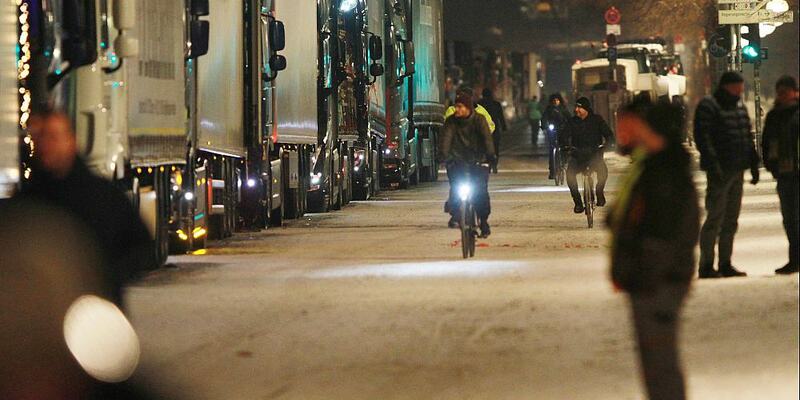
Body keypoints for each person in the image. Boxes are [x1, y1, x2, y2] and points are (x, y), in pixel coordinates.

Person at [609, 98, 699, 400]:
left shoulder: (664, 172)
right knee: (655, 365)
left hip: (657, 282)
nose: (621, 132)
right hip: (651, 280)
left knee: (660, 365)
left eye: (626, 124)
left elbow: (667, 232)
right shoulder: (651, 166)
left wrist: (644, 275)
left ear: (644, 127)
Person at [19, 110, 156, 304]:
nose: (47, 145)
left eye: (53, 137)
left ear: (71, 141)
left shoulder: (103, 196)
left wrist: (104, 277)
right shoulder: (28, 201)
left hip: (95, 309)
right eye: (41, 138)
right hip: (45, 312)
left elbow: (140, 247)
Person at [694, 72, 760, 279]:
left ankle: (725, 263)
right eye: (738, 87)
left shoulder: (739, 107)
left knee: (731, 219)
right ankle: (706, 264)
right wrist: (713, 164)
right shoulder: (709, 106)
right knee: (715, 217)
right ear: (727, 86)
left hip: (737, 168)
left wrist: (753, 163)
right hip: (720, 171)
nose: (741, 90)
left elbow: (746, 136)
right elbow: (703, 137)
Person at [439, 91, 495, 238]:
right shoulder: (451, 122)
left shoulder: (479, 120)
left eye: (460, 107)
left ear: (468, 108)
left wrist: (490, 156)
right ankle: (456, 214)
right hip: (458, 161)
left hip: (478, 160)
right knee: (455, 188)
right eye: (456, 106)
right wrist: (444, 156)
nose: (457, 110)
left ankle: (483, 221)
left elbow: (487, 139)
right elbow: (446, 139)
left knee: (480, 192)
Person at [762, 75, 799, 275]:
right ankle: (794, 259)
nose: (782, 96)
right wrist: (772, 166)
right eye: (780, 93)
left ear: (794, 92)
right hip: (785, 174)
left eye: (785, 92)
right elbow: (767, 143)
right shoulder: (774, 116)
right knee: (790, 219)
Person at [563, 97, 613, 213]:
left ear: (586, 109)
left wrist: (608, 144)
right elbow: (564, 136)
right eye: (576, 107)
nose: (576, 110)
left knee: (603, 173)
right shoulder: (572, 122)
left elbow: (608, 134)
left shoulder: (597, 120)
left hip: (594, 155)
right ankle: (578, 203)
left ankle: (599, 192)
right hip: (578, 155)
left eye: (579, 107)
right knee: (570, 175)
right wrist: (565, 146)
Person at [478, 88, 508, 173]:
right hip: (495, 129)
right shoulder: (496, 104)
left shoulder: (480, 104)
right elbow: (501, 117)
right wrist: (504, 126)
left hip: (482, 128)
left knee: (484, 147)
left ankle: (487, 164)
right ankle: (494, 165)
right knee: (495, 147)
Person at [542, 93, 571, 180]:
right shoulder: (549, 109)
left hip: (562, 130)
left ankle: (564, 161)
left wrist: (569, 126)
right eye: (554, 100)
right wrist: (544, 126)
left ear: (560, 101)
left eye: (557, 100)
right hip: (553, 130)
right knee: (552, 149)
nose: (555, 101)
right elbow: (544, 118)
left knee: (565, 146)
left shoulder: (563, 109)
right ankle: (552, 171)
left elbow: (569, 118)